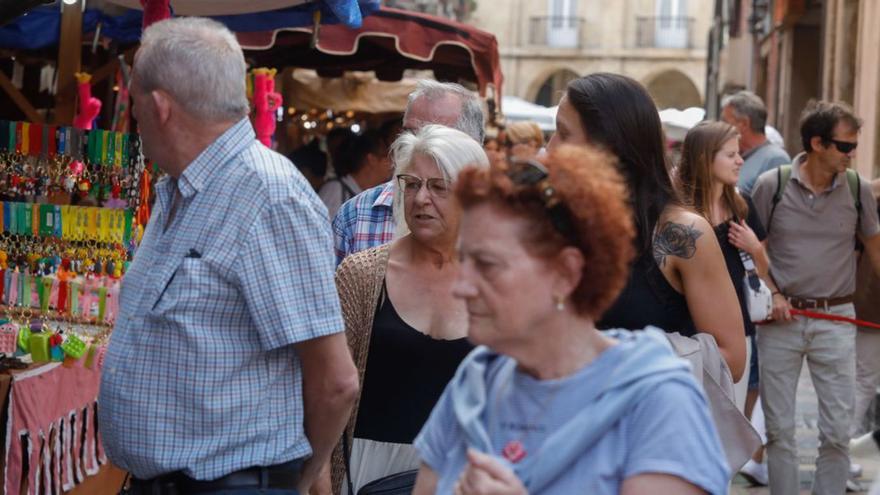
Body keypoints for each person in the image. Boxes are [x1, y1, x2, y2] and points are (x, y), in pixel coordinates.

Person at [98, 18, 359, 495]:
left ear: (159, 109)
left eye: (133, 105)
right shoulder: (181, 189)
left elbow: (336, 380)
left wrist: (296, 482)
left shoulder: (268, 196)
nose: (134, 119)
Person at [412, 145, 730, 495]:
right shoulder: (477, 381)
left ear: (566, 273)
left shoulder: (655, 398)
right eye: (463, 260)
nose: (462, 286)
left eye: (487, 265)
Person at [548, 73, 746, 381]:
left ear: (608, 146)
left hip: (645, 422)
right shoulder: (555, 221)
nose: (550, 147)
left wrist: (609, 357)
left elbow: (731, 358)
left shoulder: (680, 232)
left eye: (563, 133)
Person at [330, 125, 489, 494]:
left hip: (463, 474)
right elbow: (324, 385)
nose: (421, 199)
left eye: (439, 186)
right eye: (412, 184)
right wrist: (322, 474)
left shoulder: (497, 283)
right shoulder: (362, 274)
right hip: (366, 472)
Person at [751, 100, 880, 495]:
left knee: (837, 433)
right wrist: (772, 292)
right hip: (781, 320)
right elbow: (752, 253)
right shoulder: (771, 186)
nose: (851, 154)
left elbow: (876, 253)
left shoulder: (857, 190)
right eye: (845, 147)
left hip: (836, 316)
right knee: (779, 432)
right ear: (817, 143)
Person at [331, 80, 485, 265]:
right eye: (408, 132)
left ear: (472, 145)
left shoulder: (502, 223)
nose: (417, 143)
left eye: (435, 133)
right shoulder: (355, 215)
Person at [721, 91, 791, 195]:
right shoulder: (737, 155)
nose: (720, 127)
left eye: (725, 122)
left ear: (744, 124)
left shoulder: (776, 159)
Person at [854, 178, 880, 438]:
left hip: (866, 297)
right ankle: (842, 445)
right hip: (872, 300)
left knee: (861, 377)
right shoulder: (869, 193)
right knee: (864, 378)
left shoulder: (868, 191)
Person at [318, 129, 392, 218]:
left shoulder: (378, 193)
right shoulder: (335, 190)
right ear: (371, 159)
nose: (392, 163)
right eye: (388, 157)